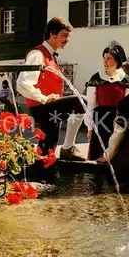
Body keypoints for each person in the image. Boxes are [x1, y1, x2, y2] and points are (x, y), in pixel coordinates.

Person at [16, 17, 86, 161]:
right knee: (81, 101)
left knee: (48, 150)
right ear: (53, 34)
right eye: (64, 36)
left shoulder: (51, 56)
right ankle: (67, 147)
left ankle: (41, 177)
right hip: (43, 108)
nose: (67, 40)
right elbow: (22, 84)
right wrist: (44, 98)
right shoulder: (37, 54)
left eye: (68, 36)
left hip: (50, 109)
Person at [84, 42, 129, 160]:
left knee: (117, 154)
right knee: (98, 153)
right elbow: (91, 104)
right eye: (104, 58)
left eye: (109, 59)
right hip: (100, 120)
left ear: (117, 61)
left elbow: (128, 104)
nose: (105, 62)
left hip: (118, 121)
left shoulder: (125, 80)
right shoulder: (96, 78)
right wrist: (90, 128)